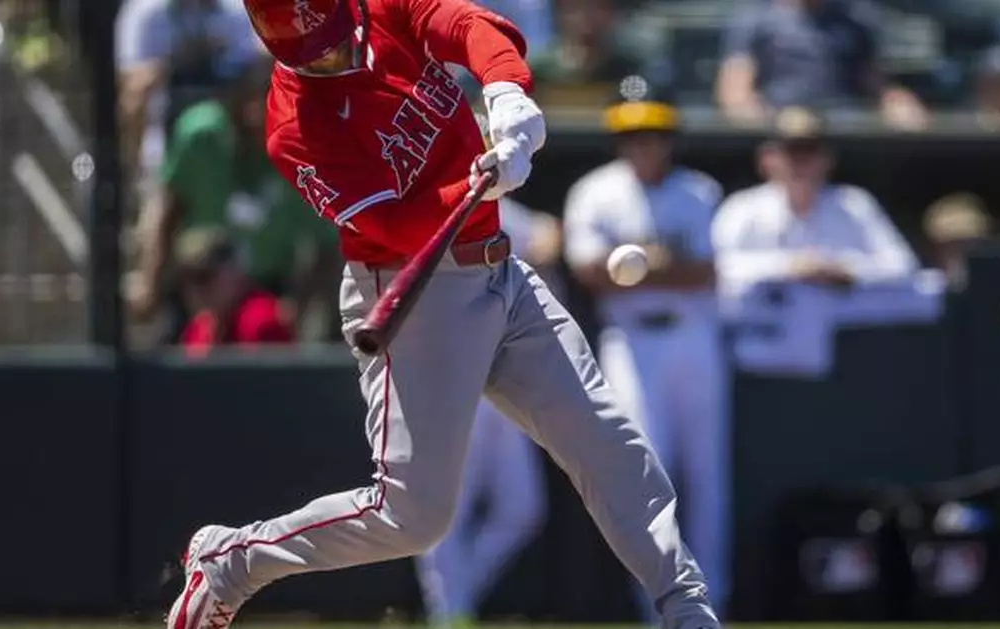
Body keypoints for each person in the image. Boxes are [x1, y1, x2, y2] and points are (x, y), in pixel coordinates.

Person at [165, 3, 721, 629]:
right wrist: (477, 183)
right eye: (315, 52)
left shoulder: (377, 9)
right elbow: (392, 223)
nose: (336, 55)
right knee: (412, 517)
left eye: (336, 38)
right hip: (416, 294)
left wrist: (506, 90)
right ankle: (232, 562)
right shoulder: (293, 124)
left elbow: (473, 27)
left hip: (500, 273)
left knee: (607, 443)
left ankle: (687, 609)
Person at [562, 77, 730, 618]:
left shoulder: (698, 190)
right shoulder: (595, 190)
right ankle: (657, 603)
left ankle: (715, 601)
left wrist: (641, 265)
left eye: (654, 133)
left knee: (707, 473)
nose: (644, 145)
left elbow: (706, 273)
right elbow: (590, 272)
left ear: (671, 135)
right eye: (633, 134)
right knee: (645, 473)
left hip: (693, 337)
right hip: (631, 342)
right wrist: (660, 266)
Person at [415, 197, 559, 627]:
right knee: (442, 513)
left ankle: (456, 605)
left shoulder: (499, 205)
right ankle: (450, 613)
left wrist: (547, 236)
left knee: (523, 508)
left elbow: (547, 234)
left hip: (500, 378)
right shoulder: (430, 208)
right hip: (450, 379)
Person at [131, 58, 338, 344]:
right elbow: (168, 210)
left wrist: (296, 305)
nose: (259, 119)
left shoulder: (300, 148)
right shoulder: (201, 134)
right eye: (255, 105)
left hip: (267, 290)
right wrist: (150, 280)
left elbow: (326, 245)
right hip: (198, 283)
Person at [712, 107, 918, 291]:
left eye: (809, 150)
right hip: (762, 329)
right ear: (767, 158)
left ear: (827, 159)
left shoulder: (854, 204)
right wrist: (788, 266)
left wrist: (843, 270)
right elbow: (714, 267)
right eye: (791, 151)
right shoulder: (743, 207)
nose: (800, 161)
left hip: (841, 329)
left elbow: (903, 266)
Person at [117, 0, 261, 196]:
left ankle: (254, 181)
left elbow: (253, 69)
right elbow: (130, 81)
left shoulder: (236, 10)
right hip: (164, 145)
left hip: (224, 135)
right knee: (136, 95)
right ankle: (133, 180)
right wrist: (177, 61)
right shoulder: (146, 11)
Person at [715, 0, 927, 129]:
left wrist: (896, 101)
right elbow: (735, 89)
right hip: (783, 128)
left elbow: (873, 79)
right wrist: (750, 115)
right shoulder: (755, 18)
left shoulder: (854, 19)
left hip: (846, 126)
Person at [175, 226, 296, 357]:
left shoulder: (261, 321)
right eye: (189, 279)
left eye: (204, 276)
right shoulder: (197, 329)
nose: (197, 290)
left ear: (233, 270)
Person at [527, 0, 642, 107]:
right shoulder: (537, 70)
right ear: (559, 12)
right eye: (574, 8)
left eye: (598, 7)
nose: (587, 17)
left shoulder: (629, 70)